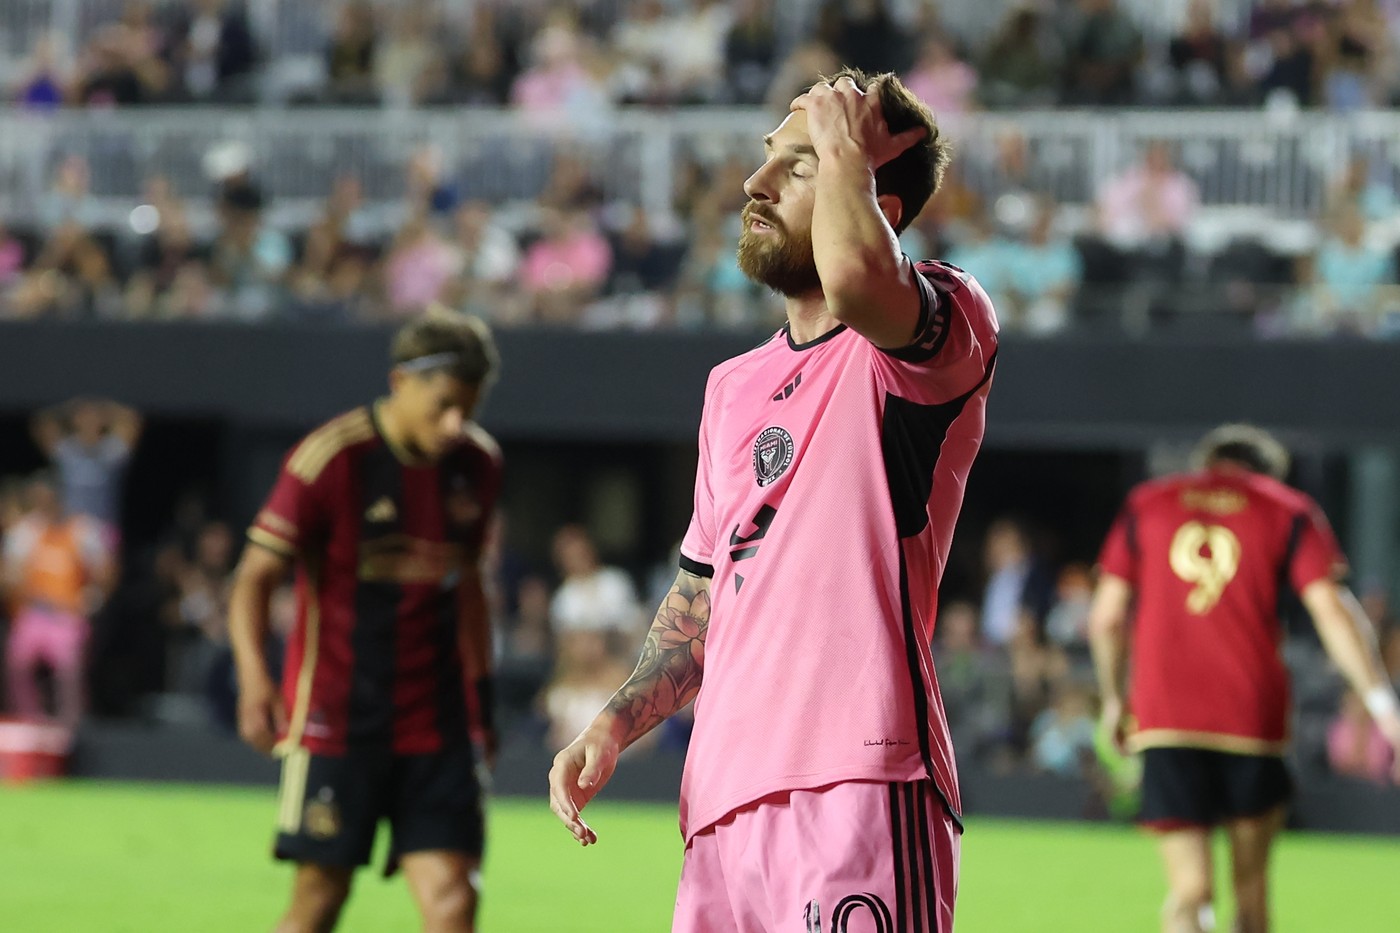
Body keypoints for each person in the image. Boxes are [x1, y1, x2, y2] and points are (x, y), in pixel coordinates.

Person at [549, 68, 998, 931]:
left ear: (877, 197)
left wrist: (844, 151)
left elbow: (865, 281)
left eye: (796, 166)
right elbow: (705, 590)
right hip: (721, 802)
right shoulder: (732, 386)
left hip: (861, 778)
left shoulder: (936, 327)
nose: (754, 185)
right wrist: (613, 720)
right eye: (769, 160)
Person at [228, 310, 503, 933]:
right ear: (400, 381)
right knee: (318, 903)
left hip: (437, 726)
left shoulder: (478, 466)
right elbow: (253, 578)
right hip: (337, 720)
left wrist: (482, 701)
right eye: (443, 406)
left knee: (454, 902)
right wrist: (254, 677)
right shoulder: (332, 460)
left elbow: (471, 591)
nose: (456, 424)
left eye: (470, 407)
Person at [1089, 424, 1400, 933]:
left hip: (1166, 717)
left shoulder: (1148, 503)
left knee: (1191, 891)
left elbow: (1105, 617)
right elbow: (1331, 610)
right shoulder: (1286, 508)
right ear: (1266, 471)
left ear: (1205, 462)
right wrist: (1384, 706)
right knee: (1251, 899)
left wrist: (1112, 699)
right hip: (1250, 717)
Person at [3, 472, 113, 726]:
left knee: (69, 669)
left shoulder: (82, 530)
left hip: (68, 615)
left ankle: (70, 725)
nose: (45, 506)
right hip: (34, 614)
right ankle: (30, 720)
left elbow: (106, 570)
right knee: (17, 663)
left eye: (49, 499)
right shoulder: (25, 532)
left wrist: (94, 598)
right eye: (38, 501)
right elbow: (11, 572)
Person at [31, 397, 142, 547]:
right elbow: (42, 422)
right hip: (71, 529)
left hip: (104, 529)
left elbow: (132, 421)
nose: (89, 422)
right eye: (84, 417)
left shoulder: (111, 451)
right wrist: (70, 405)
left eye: (94, 417)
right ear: (75, 420)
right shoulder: (66, 451)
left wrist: (107, 405)